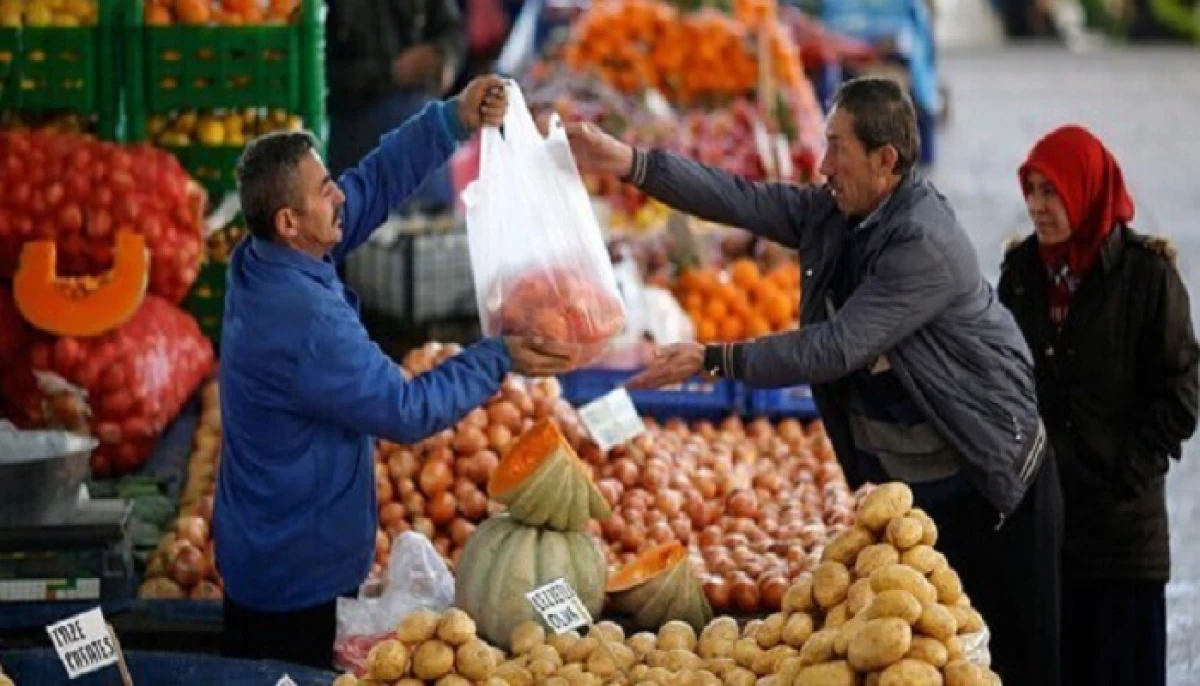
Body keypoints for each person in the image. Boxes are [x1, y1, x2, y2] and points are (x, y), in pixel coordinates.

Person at [563, 76, 1061, 686]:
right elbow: (741, 199)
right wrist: (632, 163)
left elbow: (837, 346)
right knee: (929, 660)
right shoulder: (839, 212)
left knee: (1012, 659)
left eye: (836, 148)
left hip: (992, 480)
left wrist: (716, 357)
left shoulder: (923, 242)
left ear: (885, 160)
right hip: (919, 489)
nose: (822, 166)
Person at [213, 75, 576, 669]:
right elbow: (406, 411)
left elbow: (369, 185)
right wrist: (498, 356)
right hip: (293, 573)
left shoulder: (265, 257)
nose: (339, 197)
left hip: (265, 539)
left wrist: (450, 120)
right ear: (288, 221)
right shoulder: (305, 324)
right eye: (324, 189)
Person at [999, 125, 1199, 686]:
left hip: (1122, 537)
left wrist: (1130, 467)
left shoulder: (1146, 275)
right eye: (1032, 190)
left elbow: (1182, 386)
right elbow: (1000, 378)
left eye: (1052, 191)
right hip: (1046, 530)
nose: (1037, 207)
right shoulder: (1020, 277)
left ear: (1086, 190)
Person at [326, 0, 466, 208]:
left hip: (421, 127)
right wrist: (391, 72)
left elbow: (452, 30)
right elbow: (320, 73)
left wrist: (445, 58)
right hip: (354, 130)